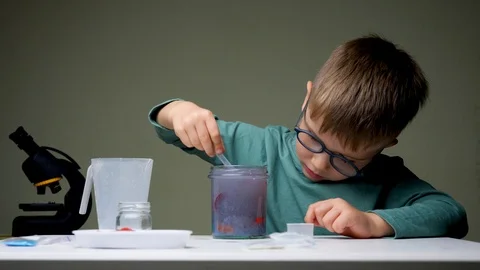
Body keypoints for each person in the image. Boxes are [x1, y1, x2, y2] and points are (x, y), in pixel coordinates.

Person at [148, 34, 468, 239]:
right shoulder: (261, 149)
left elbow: (451, 213)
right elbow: (167, 129)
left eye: (345, 160)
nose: (318, 162)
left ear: (386, 143)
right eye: (311, 138)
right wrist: (178, 111)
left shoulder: (386, 179)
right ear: (307, 99)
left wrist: (373, 223)